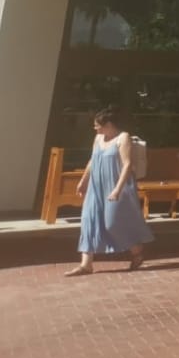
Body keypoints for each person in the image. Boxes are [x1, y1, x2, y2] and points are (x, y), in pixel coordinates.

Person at [67, 106, 153, 276]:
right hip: (96, 186)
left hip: (116, 186)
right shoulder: (98, 138)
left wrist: (117, 190)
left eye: (98, 125)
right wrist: (83, 181)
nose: (95, 128)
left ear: (109, 125)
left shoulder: (123, 137)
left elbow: (127, 164)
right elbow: (92, 160)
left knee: (113, 223)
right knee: (89, 221)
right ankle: (86, 264)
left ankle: (137, 251)